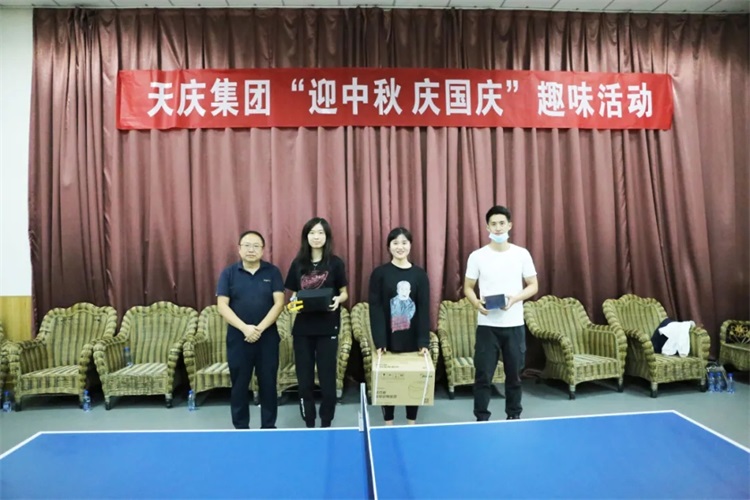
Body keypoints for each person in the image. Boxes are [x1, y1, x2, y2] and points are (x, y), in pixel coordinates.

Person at [463, 206, 538, 421]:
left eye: (502, 223)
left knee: (514, 377)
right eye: (493, 224)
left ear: (509, 225)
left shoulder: (521, 254)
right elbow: (468, 287)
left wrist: (514, 299)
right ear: (487, 227)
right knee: (483, 377)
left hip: (514, 326)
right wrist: (476, 303)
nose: (498, 228)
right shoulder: (477, 256)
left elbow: (533, 285)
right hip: (487, 327)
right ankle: (481, 418)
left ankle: (514, 416)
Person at [216, 230, 285, 430]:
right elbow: (222, 306)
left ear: (263, 250)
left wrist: (259, 329)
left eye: (256, 246)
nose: (251, 249)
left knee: (268, 384)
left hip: (267, 338)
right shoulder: (228, 273)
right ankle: (240, 428)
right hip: (238, 338)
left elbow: (279, 303)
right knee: (239, 385)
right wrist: (245, 328)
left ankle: (269, 427)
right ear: (239, 249)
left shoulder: (272, 272)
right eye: (247, 245)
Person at [284, 217, 348, 428]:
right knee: (304, 380)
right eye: (312, 233)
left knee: (328, 378)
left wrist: (338, 300)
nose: (316, 237)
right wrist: (292, 302)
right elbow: (294, 294)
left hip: (328, 326)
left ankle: (326, 421)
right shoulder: (298, 263)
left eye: (320, 232)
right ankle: (309, 421)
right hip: (303, 329)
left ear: (327, 236)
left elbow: (344, 293)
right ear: (306, 236)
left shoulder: (336, 263)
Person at [369, 227, 430, 425]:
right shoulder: (379, 274)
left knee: (412, 381)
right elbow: (376, 309)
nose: (400, 247)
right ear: (389, 247)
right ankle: (388, 423)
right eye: (395, 243)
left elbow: (424, 309)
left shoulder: (420, 275)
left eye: (404, 243)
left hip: (413, 340)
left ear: (410, 245)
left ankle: (411, 423)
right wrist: (380, 341)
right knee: (390, 382)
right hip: (388, 339)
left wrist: (423, 341)